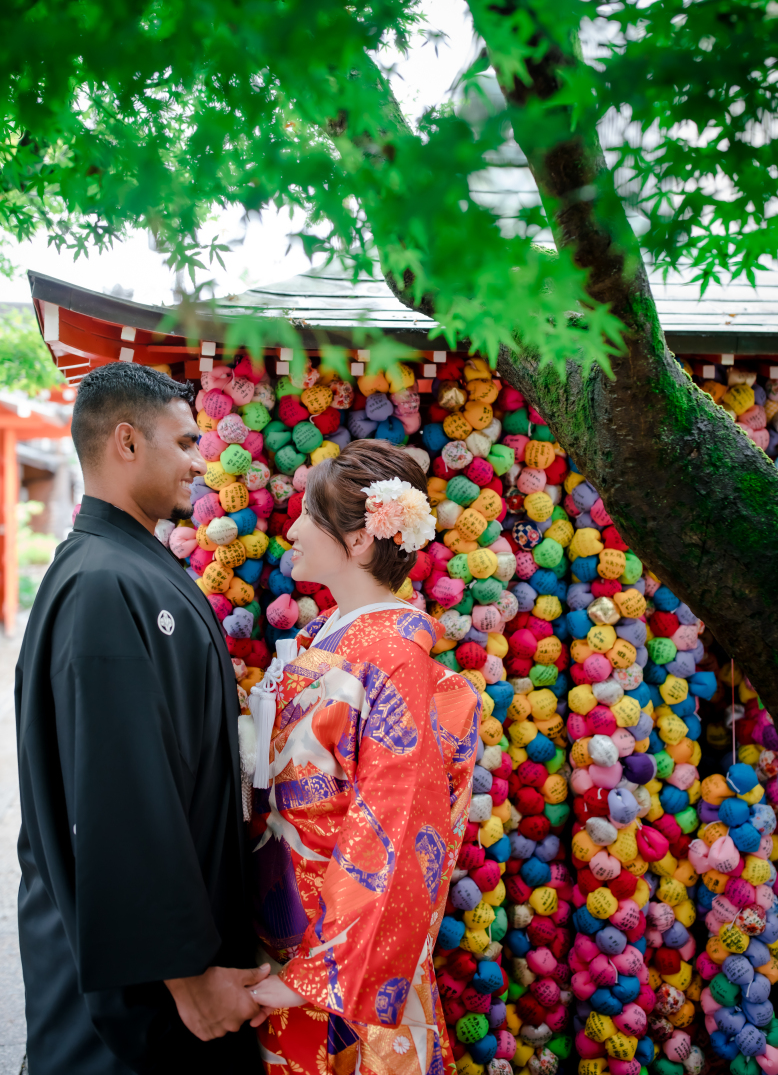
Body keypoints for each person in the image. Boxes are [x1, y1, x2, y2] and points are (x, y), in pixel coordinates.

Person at [16, 362, 266, 1075]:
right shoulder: (101, 581)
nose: (200, 462)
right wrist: (189, 979)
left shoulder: (125, 565)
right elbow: (119, 794)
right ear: (126, 442)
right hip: (146, 992)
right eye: (185, 443)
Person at [246, 439, 481, 1074]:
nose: (291, 530)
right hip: (286, 926)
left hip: (336, 956)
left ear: (356, 541)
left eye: (306, 515)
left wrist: (314, 975)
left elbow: (395, 826)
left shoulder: (392, 658)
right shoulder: (329, 639)